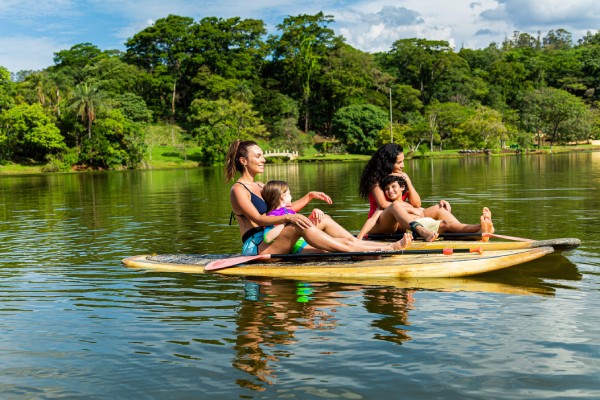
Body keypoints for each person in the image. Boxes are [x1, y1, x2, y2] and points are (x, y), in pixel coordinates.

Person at [226, 139, 411, 256]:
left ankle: (359, 245)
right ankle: (367, 250)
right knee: (299, 224)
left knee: (324, 219)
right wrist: (290, 218)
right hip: (257, 246)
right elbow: (259, 219)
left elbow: (281, 211)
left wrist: (309, 197)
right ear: (243, 161)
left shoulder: (261, 185)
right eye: (258, 156)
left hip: (276, 237)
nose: (263, 159)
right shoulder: (238, 190)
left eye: (262, 156)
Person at [358, 143, 494, 242]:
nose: (402, 165)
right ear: (388, 162)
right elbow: (383, 204)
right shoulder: (375, 178)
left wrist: (408, 181)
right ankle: (475, 230)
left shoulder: (398, 177)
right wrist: (414, 210)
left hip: (404, 217)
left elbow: (416, 203)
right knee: (398, 207)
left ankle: (474, 232)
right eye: (399, 162)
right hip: (382, 222)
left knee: (439, 208)